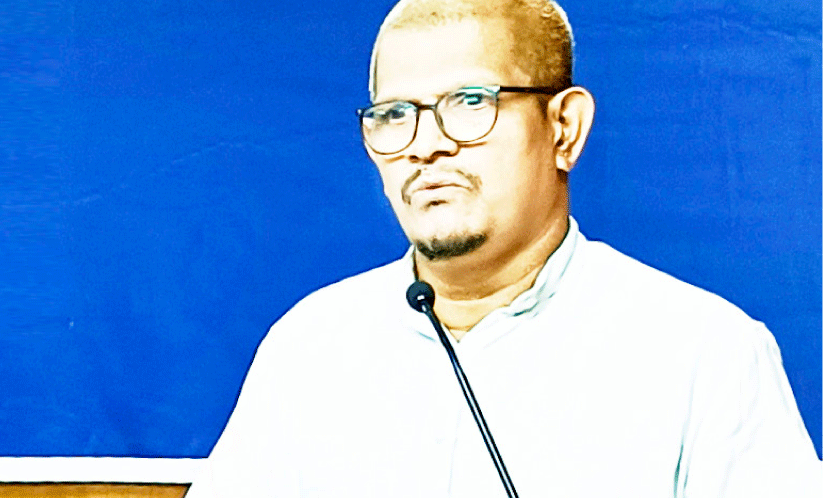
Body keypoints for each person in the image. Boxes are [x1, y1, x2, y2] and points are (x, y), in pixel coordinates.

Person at [186, 0, 820, 496]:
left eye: (470, 102)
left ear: (564, 128)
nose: (425, 145)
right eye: (395, 113)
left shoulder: (706, 354)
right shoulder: (309, 347)